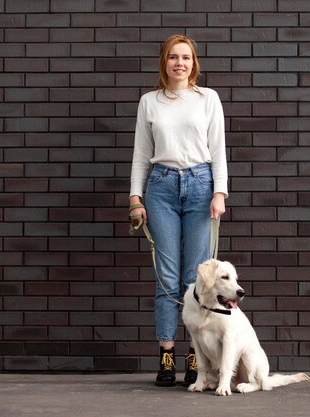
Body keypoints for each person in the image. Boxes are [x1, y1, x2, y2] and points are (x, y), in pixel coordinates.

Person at [129, 34, 228, 387]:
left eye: (186, 57)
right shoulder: (150, 102)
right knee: (167, 278)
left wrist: (219, 192)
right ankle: (166, 357)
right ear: (164, 63)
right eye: (173, 57)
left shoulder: (207, 99)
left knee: (197, 278)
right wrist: (135, 197)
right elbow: (142, 153)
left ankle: (194, 358)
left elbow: (218, 149)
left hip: (201, 186)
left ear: (193, 63)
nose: (180, 63)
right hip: (161, 189)